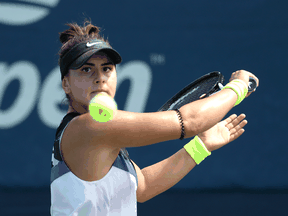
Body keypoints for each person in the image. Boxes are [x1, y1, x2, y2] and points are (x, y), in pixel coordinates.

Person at [50, 21, 259, 216]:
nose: (99, 77)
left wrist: (201, 146)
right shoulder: (89, 127)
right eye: (86, 69)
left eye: (107, 69)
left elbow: (144, 188)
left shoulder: (99, 137)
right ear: (66, 84)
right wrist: (237, 88)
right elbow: (192, 122)